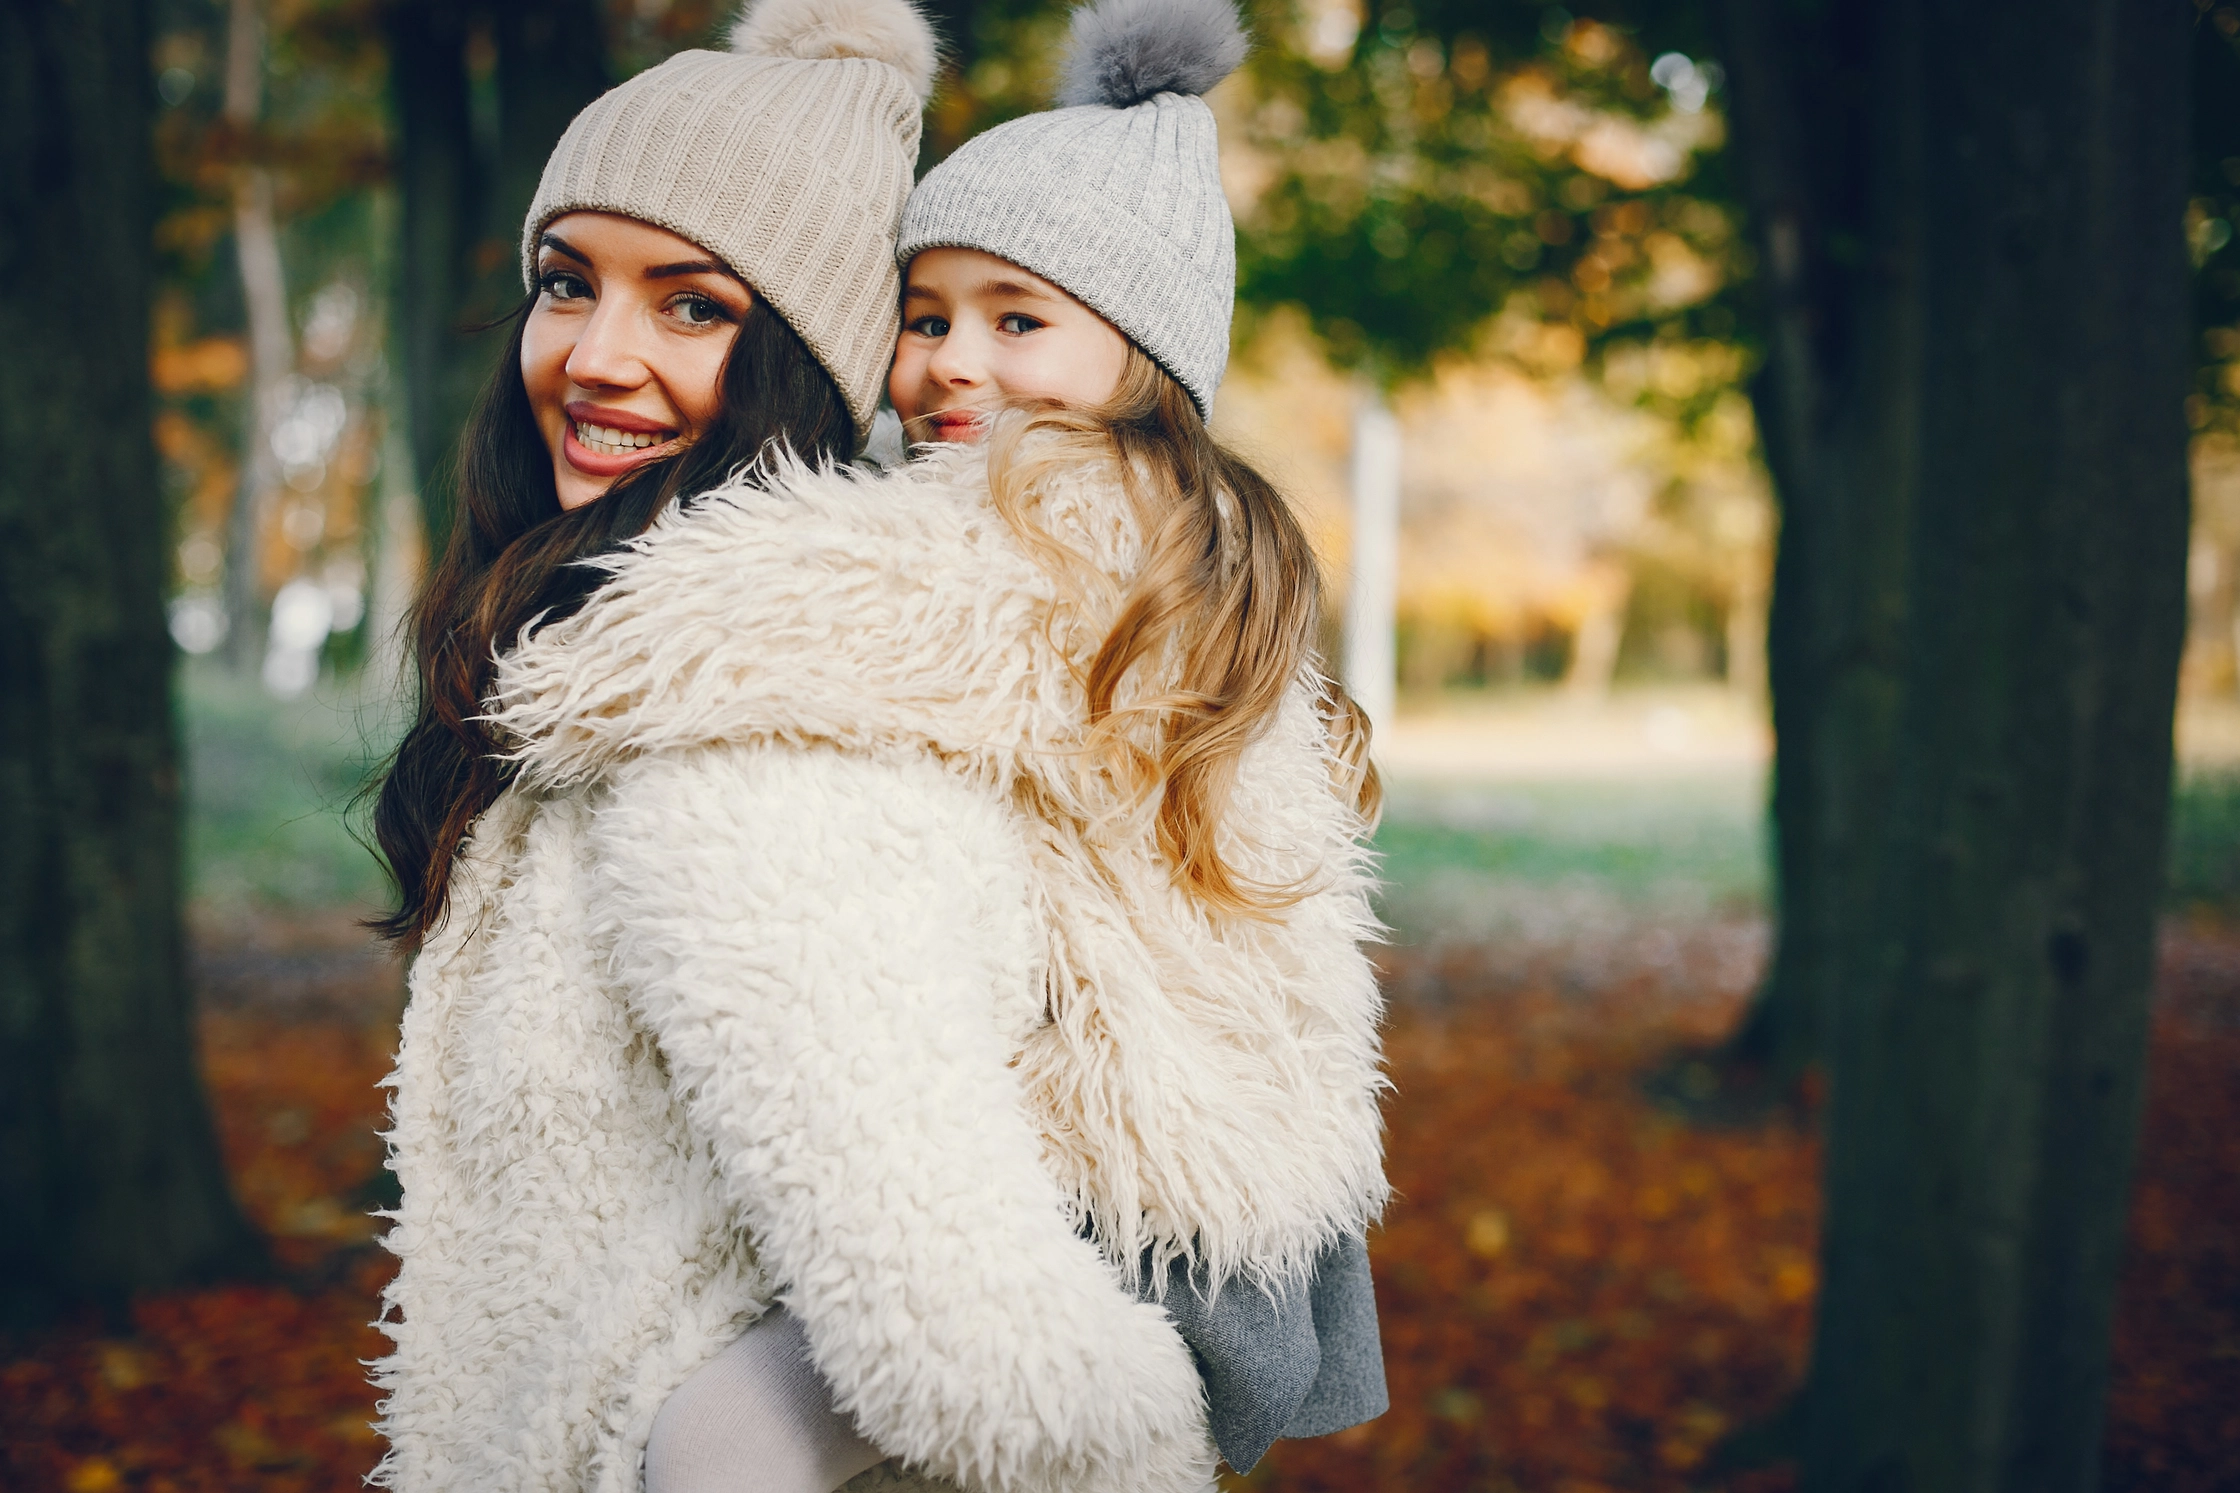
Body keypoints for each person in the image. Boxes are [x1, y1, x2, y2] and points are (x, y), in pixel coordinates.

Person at [368, 4, 1214, 1491]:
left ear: (810, 354)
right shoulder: (626, 668)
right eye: (568, 284)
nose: (594, 356)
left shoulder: (770, 727)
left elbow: (965, 1330)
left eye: (692, 306)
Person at [556, 0, 1392, 1487]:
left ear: (1141, 356)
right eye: (924, 317)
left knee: (722, 1443)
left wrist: (609, 648)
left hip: (1142, 1215)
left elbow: (871, 628)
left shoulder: (1090, 533)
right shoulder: (1159, 523)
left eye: (1018, 320)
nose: (952, 363)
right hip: (1190, 1182)